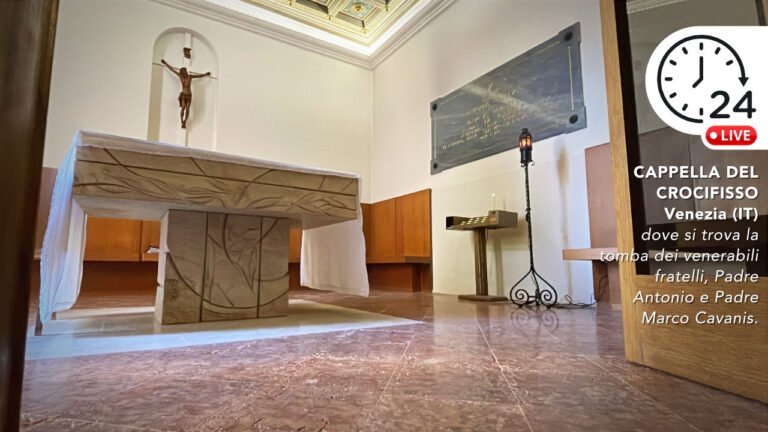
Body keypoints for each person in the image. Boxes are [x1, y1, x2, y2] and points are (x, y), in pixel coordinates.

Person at [160, 59, 211, 128]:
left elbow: (199, 76)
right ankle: (182, 121)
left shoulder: (190, 77)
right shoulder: (181, 77)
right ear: (183, 72)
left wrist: (205, 74)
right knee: (183, 108)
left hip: (189, 95)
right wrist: (165, 63)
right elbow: (172, 70)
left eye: (186, 71)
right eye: (185, 72)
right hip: (184, 95)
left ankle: (185, 122)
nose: (186, 73)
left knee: (187, 109)